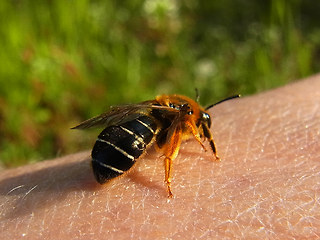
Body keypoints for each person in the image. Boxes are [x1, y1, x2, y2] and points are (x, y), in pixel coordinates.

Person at [1, 74, 319, 239]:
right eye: (202, 126)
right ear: (196, 118)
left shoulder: (159, 106)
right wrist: (190, 157)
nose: (202, 131)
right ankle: (164, 179)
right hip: (119, 150)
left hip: (118, 135)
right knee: (175, 137)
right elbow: (184, 135)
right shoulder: (186, 121)